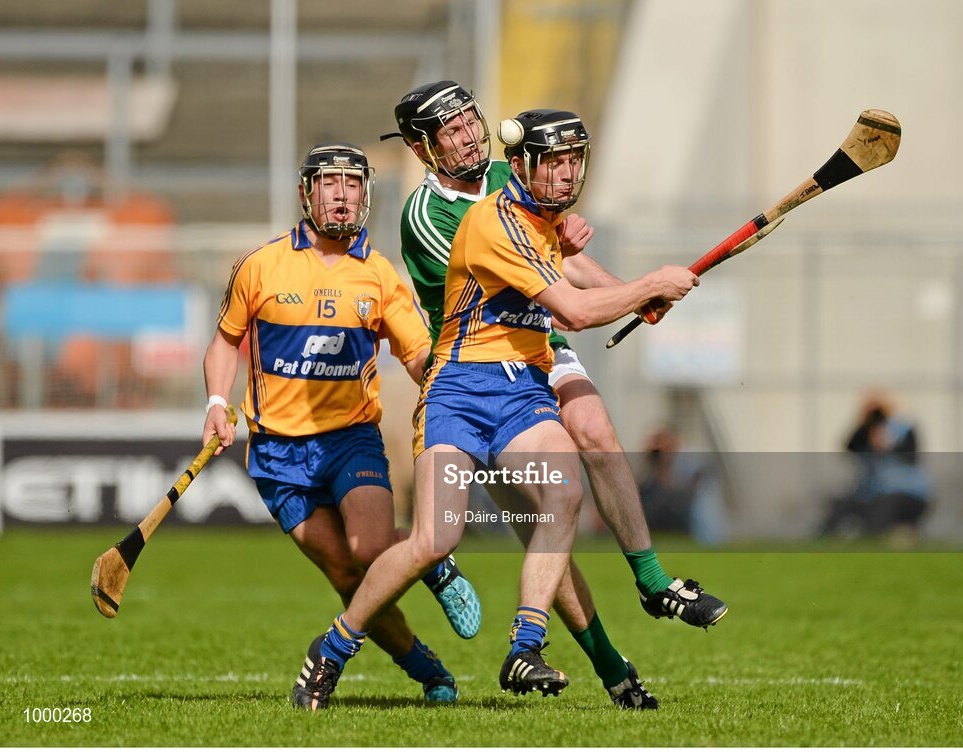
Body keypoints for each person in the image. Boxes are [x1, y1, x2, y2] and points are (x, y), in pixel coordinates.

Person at [298, 106, 718, 710]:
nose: (567, 176)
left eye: (574, 162)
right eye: (553, 164)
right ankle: (332, 648)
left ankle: (526, 645)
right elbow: (570, 311)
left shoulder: (537, 218)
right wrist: (647, 285)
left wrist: (628, 292)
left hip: (522, 387)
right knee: (434, 541)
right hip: (461, 389)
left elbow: (572, 276)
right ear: (519, 166)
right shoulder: (490, 223)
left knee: (564, 492)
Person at [202, 143, 481, 710]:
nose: (341, 195)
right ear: (308, 193)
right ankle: (427, 669)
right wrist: (214, 401)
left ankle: (431, 560)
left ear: (365, 196)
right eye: (329, 184)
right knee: (346, 574)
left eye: (352, 185)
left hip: (349, 439)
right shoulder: (259, 266)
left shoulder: (379, 277)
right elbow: (226, 341)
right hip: (278, 456)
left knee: (372, 547)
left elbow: (419, 354)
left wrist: (461, 387)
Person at [821, 393, 931, 537]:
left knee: (877, 524)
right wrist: (865, 426)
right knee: (840, 507)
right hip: (873, 493)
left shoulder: (903, 429)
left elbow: (912, 457)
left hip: (904, 493)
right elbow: (849, 446)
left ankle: (899, 534)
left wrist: (889, 444)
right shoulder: (865, 432)